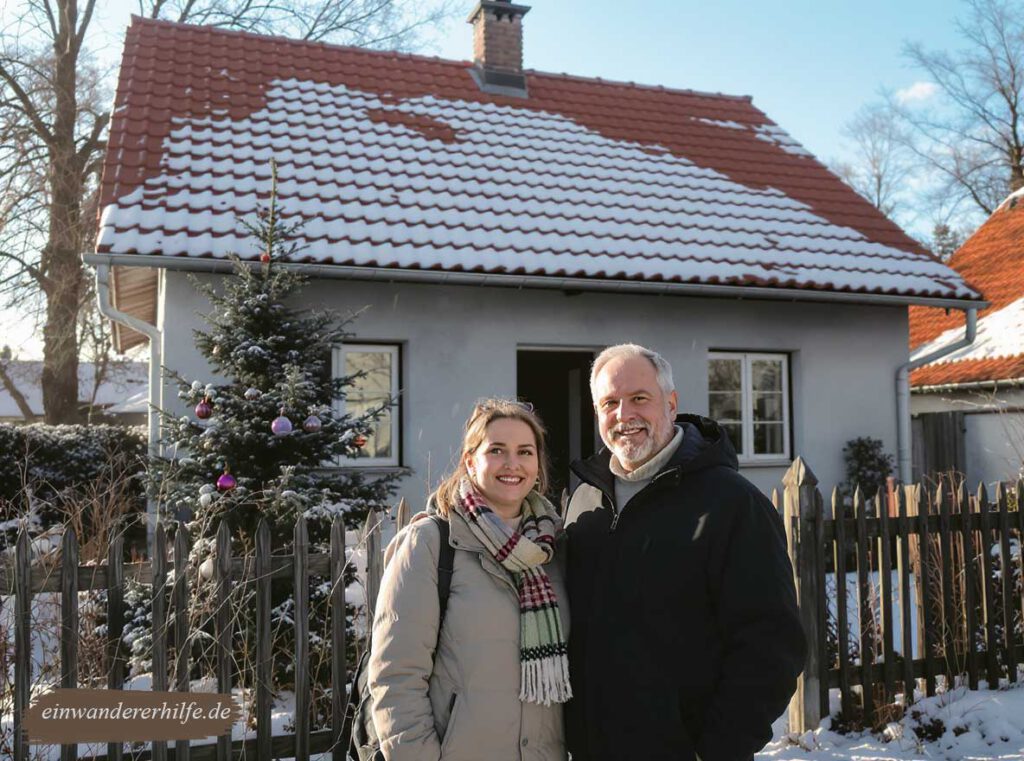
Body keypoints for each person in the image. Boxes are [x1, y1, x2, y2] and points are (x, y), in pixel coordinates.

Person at [564, 344, 806, 761]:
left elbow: (772, 647)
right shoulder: (583, 499)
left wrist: (716, 749)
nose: (625, 415)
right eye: (610, 403)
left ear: (671, 404)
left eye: (640, 398)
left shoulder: (732, 504)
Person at [369, 399, 571, 761]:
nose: (512, 464)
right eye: (497, 450)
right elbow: (396, 677)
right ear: (469, 460)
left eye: (525, 451)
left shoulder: (554, 552)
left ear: (537, 465)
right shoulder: (430, 545)